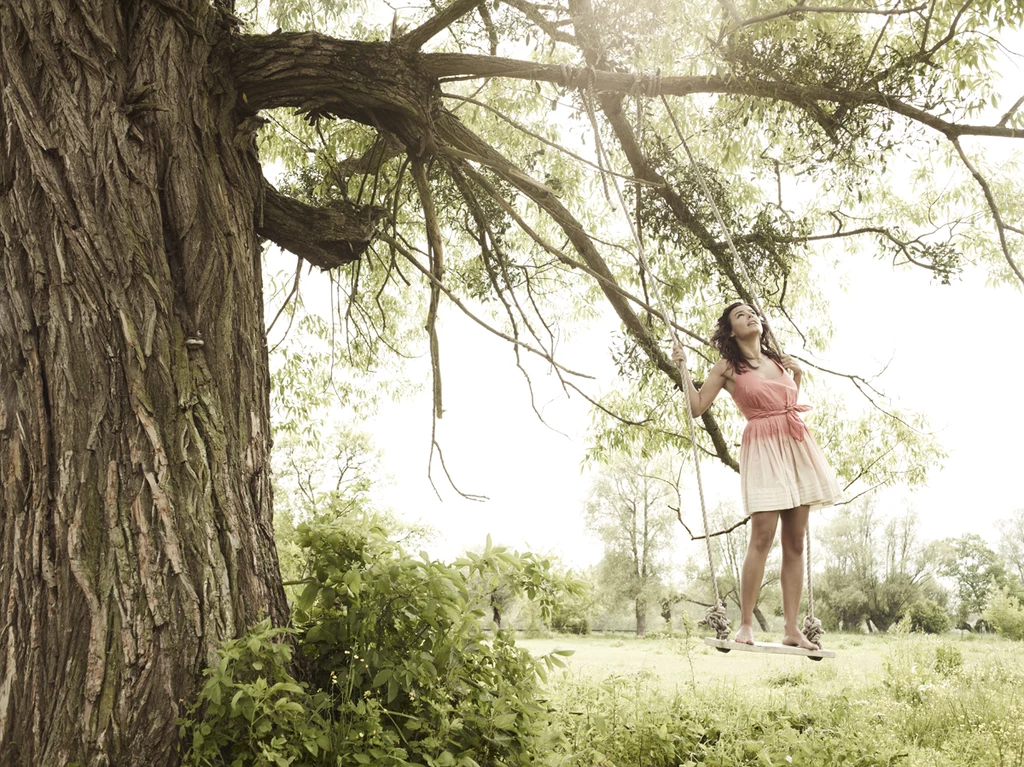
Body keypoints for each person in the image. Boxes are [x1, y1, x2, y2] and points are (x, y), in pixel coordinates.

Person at [671, 302, 840, 650]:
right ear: (732, 331)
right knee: (762, 535)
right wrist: (683, 369)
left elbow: (785, 403)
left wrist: (798, 378)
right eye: (740, 315)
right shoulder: (728, 368)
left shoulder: (779, 362)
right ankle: (746, 625)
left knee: (795, 542)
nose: (750, 315)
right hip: (763, 448)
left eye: (752, 311)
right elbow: (696, 407)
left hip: (797, 446)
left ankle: (792, 629)